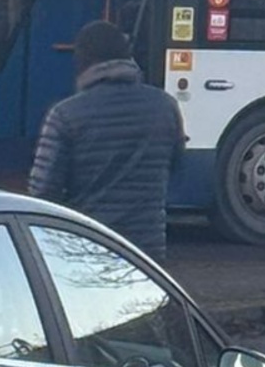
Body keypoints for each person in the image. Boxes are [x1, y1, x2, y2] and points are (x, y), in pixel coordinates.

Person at [27, 20, 186, 260]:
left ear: (82, 61)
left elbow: (43, 192)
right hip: (147, 253)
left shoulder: (64, 115)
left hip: (88, 248)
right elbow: (176, 164)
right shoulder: (165, 107)